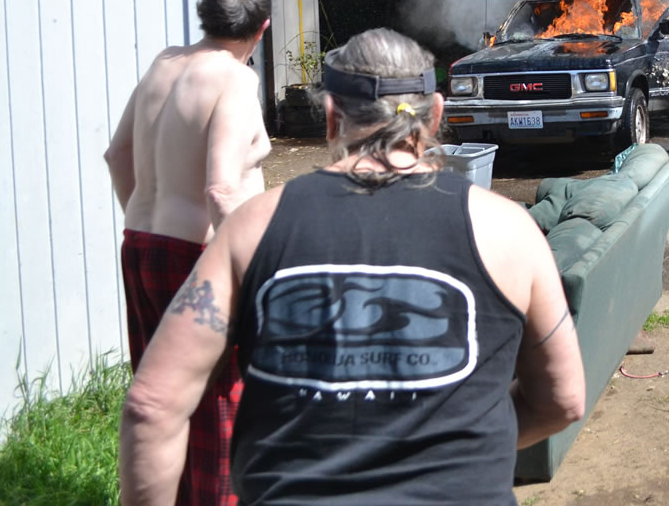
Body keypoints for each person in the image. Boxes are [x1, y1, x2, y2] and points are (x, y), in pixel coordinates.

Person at [119, 28, 586, 506]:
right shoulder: (509, 229)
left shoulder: (253, 228)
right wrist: (464, 449)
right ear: (437, 115)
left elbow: (152, 407)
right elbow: (563, 400)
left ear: (330, 117)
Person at [106, 0, 273, 506]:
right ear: (263, 28)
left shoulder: (165, 62)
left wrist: (144, 218)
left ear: (204, 15)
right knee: (220, 403)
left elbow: (117, 154)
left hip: (142, 244)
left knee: (163, 398)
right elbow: (222, 190)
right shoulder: (235, 78)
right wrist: (245, 278)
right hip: (199, 257)